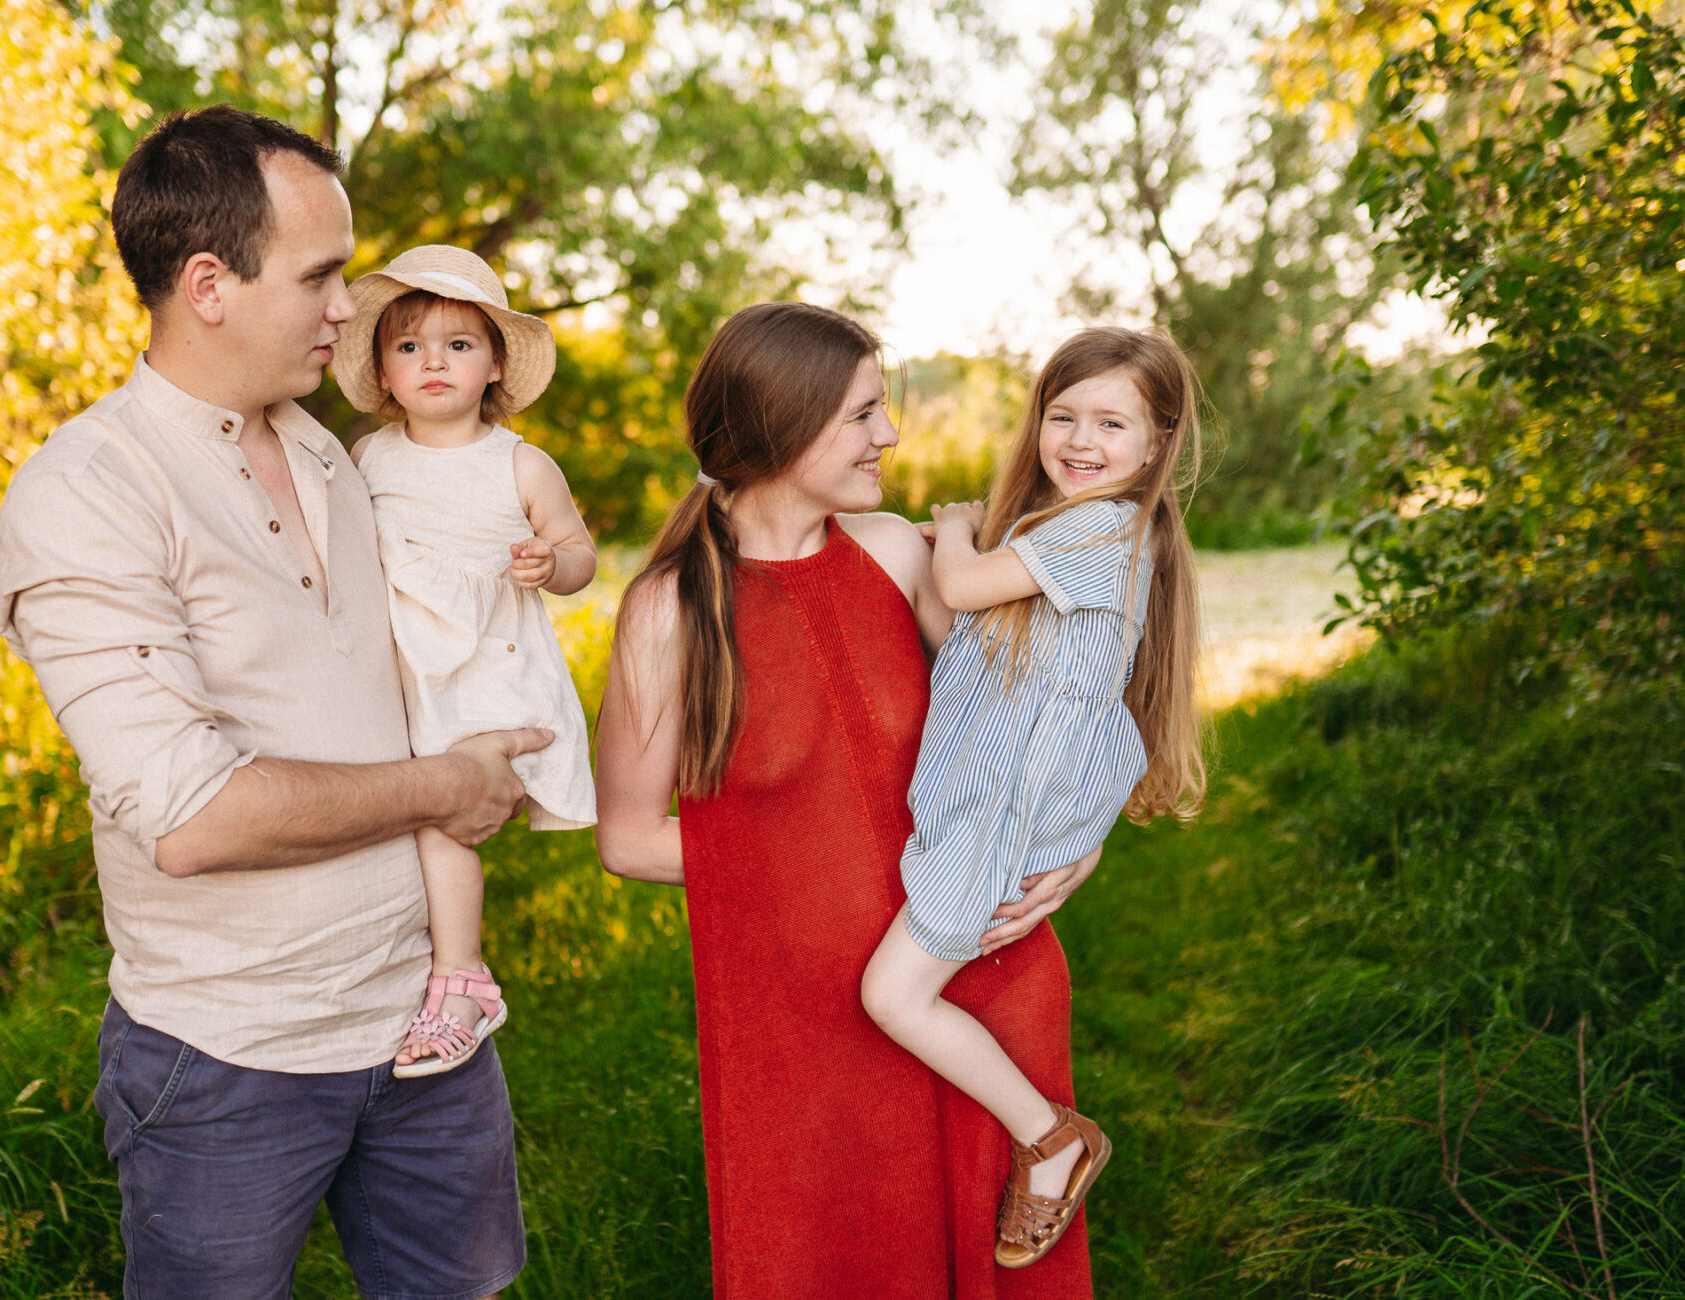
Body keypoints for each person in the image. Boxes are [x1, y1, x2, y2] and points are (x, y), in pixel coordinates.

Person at [0, 105, 541, 1299]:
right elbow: (191, 817)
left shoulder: (338, 454)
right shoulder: (86, 491)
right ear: (208, 283)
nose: (350, 310)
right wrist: (452, 785)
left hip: (426, 1030)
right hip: (227, 1060)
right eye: (322, 275)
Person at [594, 301, 1100, 1298]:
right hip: (806, 1026)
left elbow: (1029, 736)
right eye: (863, 413)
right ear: (784, 427)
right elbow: (629, 836)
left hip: (974, 981)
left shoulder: (898, 554)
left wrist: (1074, 847)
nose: (891, 434)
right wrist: (809, 865)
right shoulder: (670, 611)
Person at [859, 326, 1207, 1268]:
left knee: (891, 995)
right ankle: (1047, 1138)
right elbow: (963, 641)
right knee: (898, 988)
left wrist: (953, 523)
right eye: (1063, 416)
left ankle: (1051, 1140)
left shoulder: (1102, 527)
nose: (1081, 440)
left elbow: (964, 586)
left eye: (1111, 422)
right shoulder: (1063, 530)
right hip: (999, 795)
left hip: (1000, 816)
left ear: (1157, 440)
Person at [328, 244, 597, 1077]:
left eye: (457, 344)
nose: (432, 362)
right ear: (381, 371)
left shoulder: (518, 462)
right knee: (394, 811)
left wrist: (552, 566)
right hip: (405, 658)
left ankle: (462, 979)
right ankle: (404, 967)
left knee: (444, 816)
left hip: (485, 663)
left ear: (495, 366)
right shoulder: (368, 458)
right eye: (408, 347)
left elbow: (579, 551)